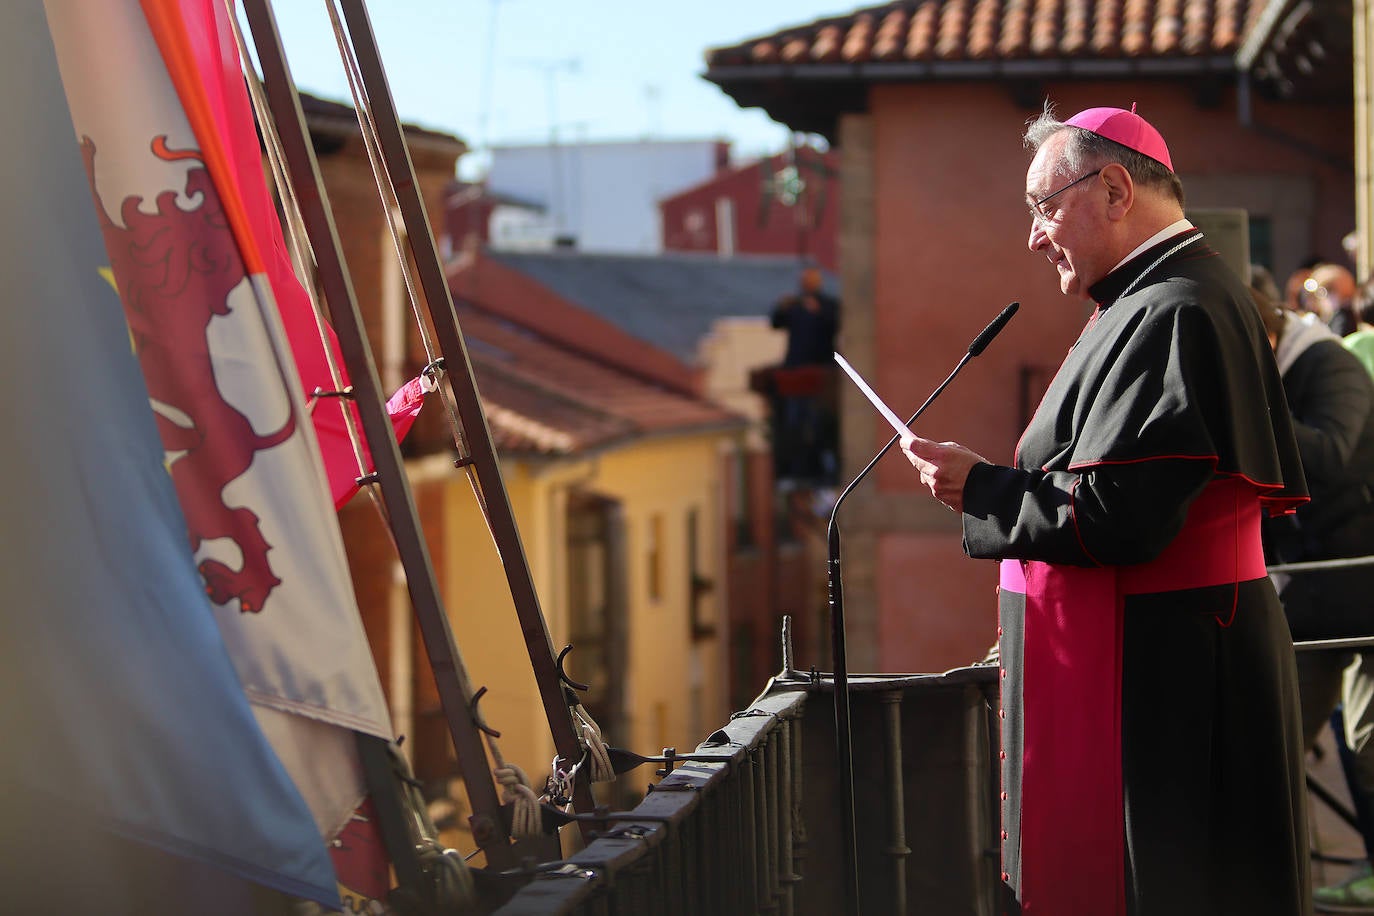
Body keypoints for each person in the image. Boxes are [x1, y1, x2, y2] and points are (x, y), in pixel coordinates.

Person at [900, 104, 1311, 915]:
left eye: (1043, 206)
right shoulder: (1151, 298)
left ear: (1117, 188)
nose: (1034, 236)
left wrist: (980, 489)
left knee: (1178, 880)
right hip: (1169, 648)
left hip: (1176, 664)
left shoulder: (1175, 306)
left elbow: (1122, 514)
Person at [1253, 289, 1374, 912]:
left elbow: (1328, 456)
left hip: (1359, 573)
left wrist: (1254, 405)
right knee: (1279, 729)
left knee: (1368, 735)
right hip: (1313, 586)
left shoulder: (1326, 364)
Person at [769, 266, 840, 483]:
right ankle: (797, 468)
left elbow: (837, 323)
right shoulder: (795, 305)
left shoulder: (828, 305)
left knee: (818, 422)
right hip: (796, 373)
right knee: (795, 423)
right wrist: (782, 306)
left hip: (819, 373)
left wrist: (818, 311)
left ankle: (821, 468)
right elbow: (776, 322)